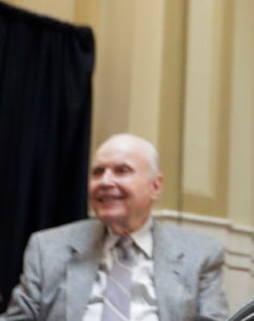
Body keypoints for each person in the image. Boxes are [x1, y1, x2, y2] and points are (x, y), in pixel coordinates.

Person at [3, 134, 228, 321]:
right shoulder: (48, 248)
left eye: (122, 170)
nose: (105, 181)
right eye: (98, 172)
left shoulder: (200, 255)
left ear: (155, 186)